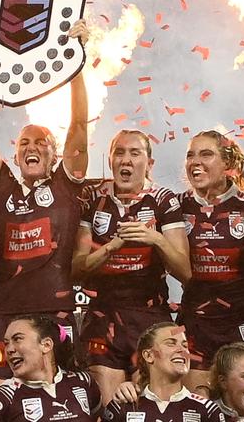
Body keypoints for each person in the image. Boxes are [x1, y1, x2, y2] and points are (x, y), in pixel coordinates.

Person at [0, 21, 90, 388]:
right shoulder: (1, 189)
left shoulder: (67, 185)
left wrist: (76, 61)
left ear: (55, 153)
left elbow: (79, 122)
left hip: (56, 314)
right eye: (24, 144)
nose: (32, 147)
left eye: (41, 142)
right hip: (5, 315)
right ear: (14, 156)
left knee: (61, 400)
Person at [72, 129, 190, 401]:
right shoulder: (93, 197)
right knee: (108, 408)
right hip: (103, 318)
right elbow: (75, 271)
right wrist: (111, 247)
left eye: (134, 153)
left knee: (151, 407)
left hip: (150, 318)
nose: (126, 160)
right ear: (111, 159)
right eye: (119, 152)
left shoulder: (164, 200)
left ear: (149, 163)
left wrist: (157, 239)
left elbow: (185, 273)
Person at [179, 130, 244, 395]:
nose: (195, 161)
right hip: (196, 328)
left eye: (206, 154)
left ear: (228, 164)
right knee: (198, 410)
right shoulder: (177, 207)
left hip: (242, 326)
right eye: (190, 155)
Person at [0, 315, 102, 422]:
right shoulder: (3, 397)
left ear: (46, 345)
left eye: (17, 339)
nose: (9, 349)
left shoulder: (83, 381)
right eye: (6, 343)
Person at [104, 322, 224, 422]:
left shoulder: (207, 410)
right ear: (148, 355)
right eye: (171, 343)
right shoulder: (121, 407)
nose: (181, 350)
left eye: (185, 345)